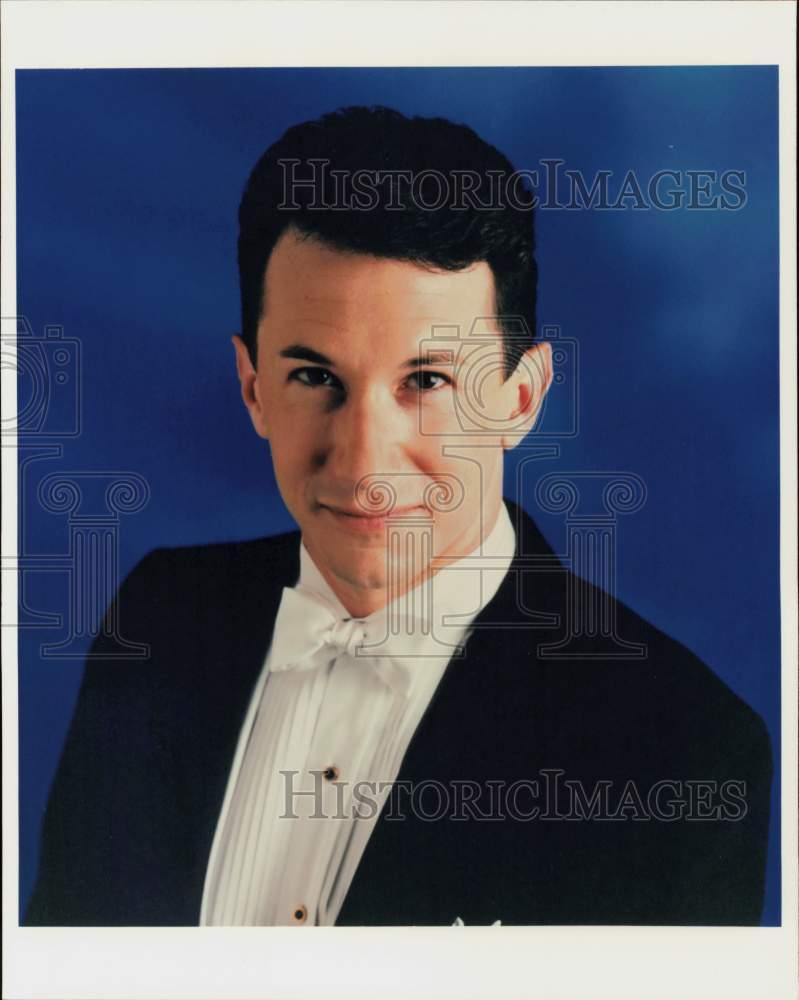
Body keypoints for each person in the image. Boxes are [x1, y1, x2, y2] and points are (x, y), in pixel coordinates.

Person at [25, 106, 772, 927]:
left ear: (520, 398)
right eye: (315, 378)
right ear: (251, 387)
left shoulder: (683, 750)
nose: (360, 464)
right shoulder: (161, 614)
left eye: (425, 382)